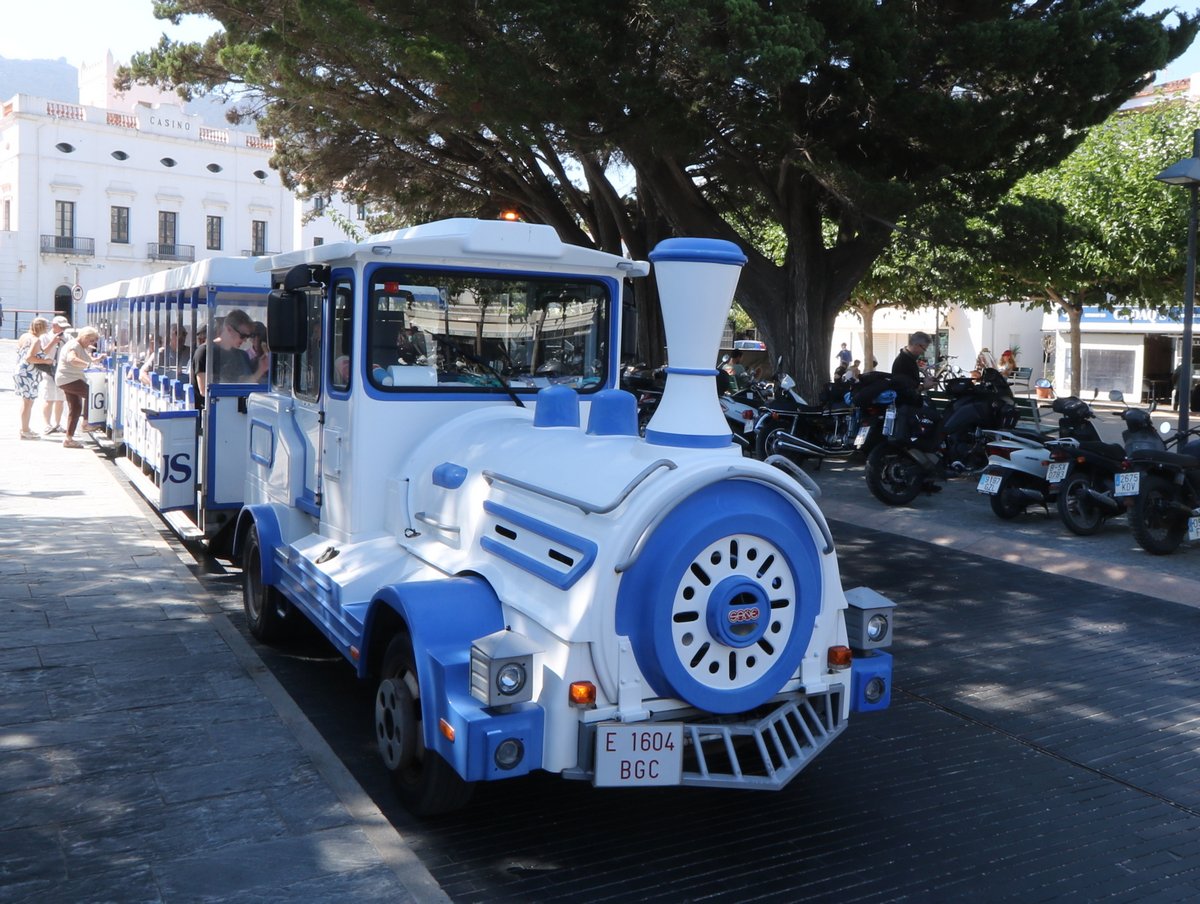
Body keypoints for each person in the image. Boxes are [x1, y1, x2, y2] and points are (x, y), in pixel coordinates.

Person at [190, 309, 267, 406]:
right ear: (229, 329)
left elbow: (244, 384)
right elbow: (204, 390)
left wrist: (261, 370)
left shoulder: (242, 355)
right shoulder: (204, 352)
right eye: (243, 336)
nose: (245, 341)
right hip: (211, 414)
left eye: (248, 337)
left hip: (236, 412)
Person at [55, 325, 100, 448]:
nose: (93, 343)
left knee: (75, 408)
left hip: (68, 379)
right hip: (69, 378)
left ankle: (68, 439)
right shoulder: (74, 345)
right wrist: (89, 365)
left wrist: (95, 360)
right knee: (91, 394)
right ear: (84, 337)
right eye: (91, 340)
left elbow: (84, 359)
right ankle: (86, 423)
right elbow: (72, 359)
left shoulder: (79, 346)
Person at [14, 316, 51, 439]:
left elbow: (28, 353)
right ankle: (25, 431)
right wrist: (46, 362)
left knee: (25, 402)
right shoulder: (36, 340)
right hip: (29, 373)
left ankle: (25, 428)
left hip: (20, 371)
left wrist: (52, 343)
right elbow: (30, 358)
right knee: (28, 402)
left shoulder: (24, 337)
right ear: (41, 328)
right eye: (47, 326)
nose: (48, 328)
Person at [40, 315, 71, 433]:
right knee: (49, 399)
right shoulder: (45, 337)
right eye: (61, 327)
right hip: (49, 370)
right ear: (54, 326)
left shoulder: (67, 337)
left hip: (62, 370)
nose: (63, 330)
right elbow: (42, 353)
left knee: (60, 399)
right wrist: (53, 342)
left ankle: (58, 424)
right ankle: (47, 424)